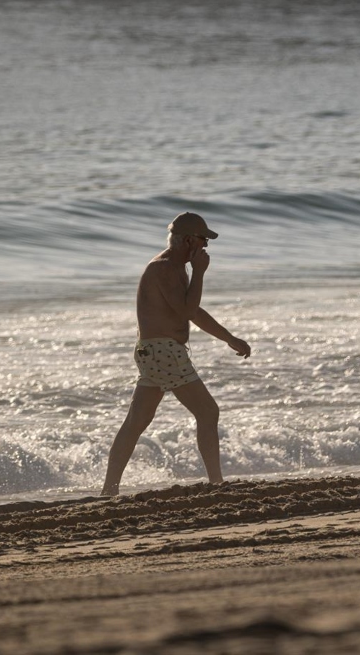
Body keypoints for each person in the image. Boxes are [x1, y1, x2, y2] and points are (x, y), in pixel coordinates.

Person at [100, 212, 251, 497]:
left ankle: (109, 490)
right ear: (188, 240)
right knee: (208, 411)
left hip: (152, 350)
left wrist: (229, 338)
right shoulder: (166, 268)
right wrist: (200, 272)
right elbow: (187, 311)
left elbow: (192, 311)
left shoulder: (172, 267)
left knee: (136, 422)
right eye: (204, 240)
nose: (206, 247)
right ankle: (216, 483)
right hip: (162, 350)